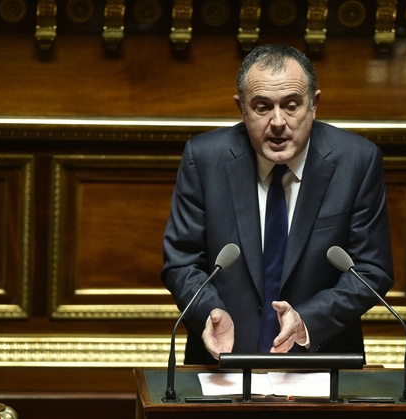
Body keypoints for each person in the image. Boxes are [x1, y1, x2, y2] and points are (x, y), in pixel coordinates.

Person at [161, 44, 394, 365]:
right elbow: (181, 262)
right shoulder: (204, 158)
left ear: (315, 104)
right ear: (241, 108)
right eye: (261, 107)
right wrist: (209, 312)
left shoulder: (357, 161)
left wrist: (309, 320)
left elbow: (372, 269)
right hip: (221, 358)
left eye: (292, 105)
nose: (278, 121)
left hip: (321, 358)